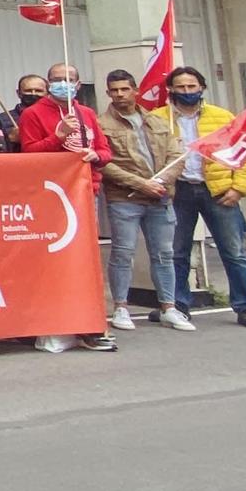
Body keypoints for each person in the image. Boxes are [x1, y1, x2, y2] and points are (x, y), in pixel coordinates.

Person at [18, 63, 118, 353]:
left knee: (87, 263)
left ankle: (91, 325)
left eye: (70, 79)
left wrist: (93, 154)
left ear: (78, 83)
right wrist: (58, 137)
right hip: (50, 198)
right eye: (58, 79)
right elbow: (29, 154)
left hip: (87, 192)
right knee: (57, 263)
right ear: (49, 83)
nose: (64, 83)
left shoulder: (86, 113)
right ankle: (59, 321)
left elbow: (105, 152)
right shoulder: (33, 113)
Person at [166, 67, 246, 330]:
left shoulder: (223, 117)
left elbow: (244, 154)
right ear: (171, 90)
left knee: (234, 253)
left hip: (219, 191)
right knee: (177, 253)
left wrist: (239, 189)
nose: (187, 92)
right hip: (179, 192)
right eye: (180, 87)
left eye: (192, 86)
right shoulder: (159, 119)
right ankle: (179, 307)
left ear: (202, 88)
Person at [99, 70, 194, 333]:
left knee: (164, 254)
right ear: (108, 93)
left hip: (160, 198)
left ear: (135, 90)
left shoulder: (157, 121)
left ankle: (169, 308)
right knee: (122, 253)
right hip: (124, 199)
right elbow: (105, 164)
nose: (119, 94)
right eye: (114, 90)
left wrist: (161, 183)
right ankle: (120, 307)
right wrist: (142, 184)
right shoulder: (101, 124)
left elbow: (177, 156)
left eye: (124, 89)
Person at [5, 74, 47, 148]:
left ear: (47, 93)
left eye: (38, 91)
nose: (33, 94)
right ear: (18, 93)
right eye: (28, 91)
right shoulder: (1, 119)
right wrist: (10, 139)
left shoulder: (55, 117)